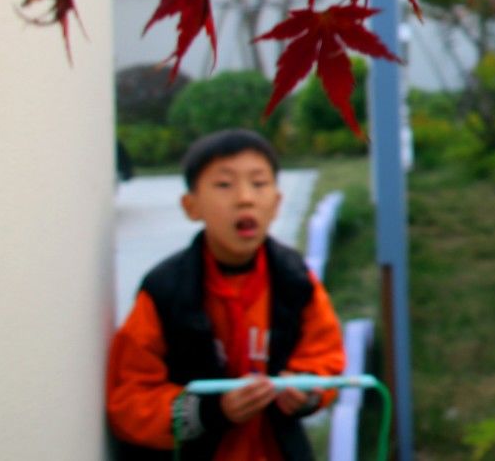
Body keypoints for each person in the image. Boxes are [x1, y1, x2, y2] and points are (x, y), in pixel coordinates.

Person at [108, 129, 345, 460]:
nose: (245, 198)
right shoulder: (165, 290)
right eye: (224, 185)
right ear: (191, 206)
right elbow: (130, 401)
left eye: (259, 183)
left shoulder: (296, 280)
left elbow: (326, 361)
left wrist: (306, 393)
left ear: (276, 203)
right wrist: (211, 411)